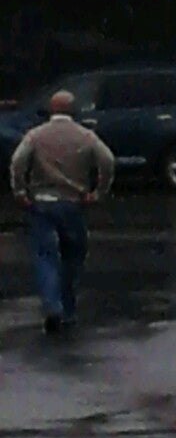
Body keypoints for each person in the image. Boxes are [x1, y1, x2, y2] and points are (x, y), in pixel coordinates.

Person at [10, 89, 115, 336]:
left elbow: (17, 162)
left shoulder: (35, 135)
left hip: (41, 203)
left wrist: (20, 191)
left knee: (45, 256)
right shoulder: (86, 136)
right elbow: (107, 160)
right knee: (73, 255)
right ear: (73, 110)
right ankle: (68, 307)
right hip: (73, 203)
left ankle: (52, 305)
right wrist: (98, 191)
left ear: (50, 109)